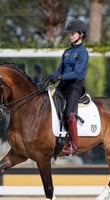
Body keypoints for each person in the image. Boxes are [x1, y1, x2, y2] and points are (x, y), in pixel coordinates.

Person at [43, 19, 89, 155]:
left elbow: (78, 73)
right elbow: (60, 70)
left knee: (69, 114)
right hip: (63, 85)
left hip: (74, 87)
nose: (70, 35)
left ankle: (74, 145)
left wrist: (60, 77)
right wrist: (51, 76)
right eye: (69, 33)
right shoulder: (67, 52)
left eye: (73, 33)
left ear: (81, 34)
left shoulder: (83, 53)